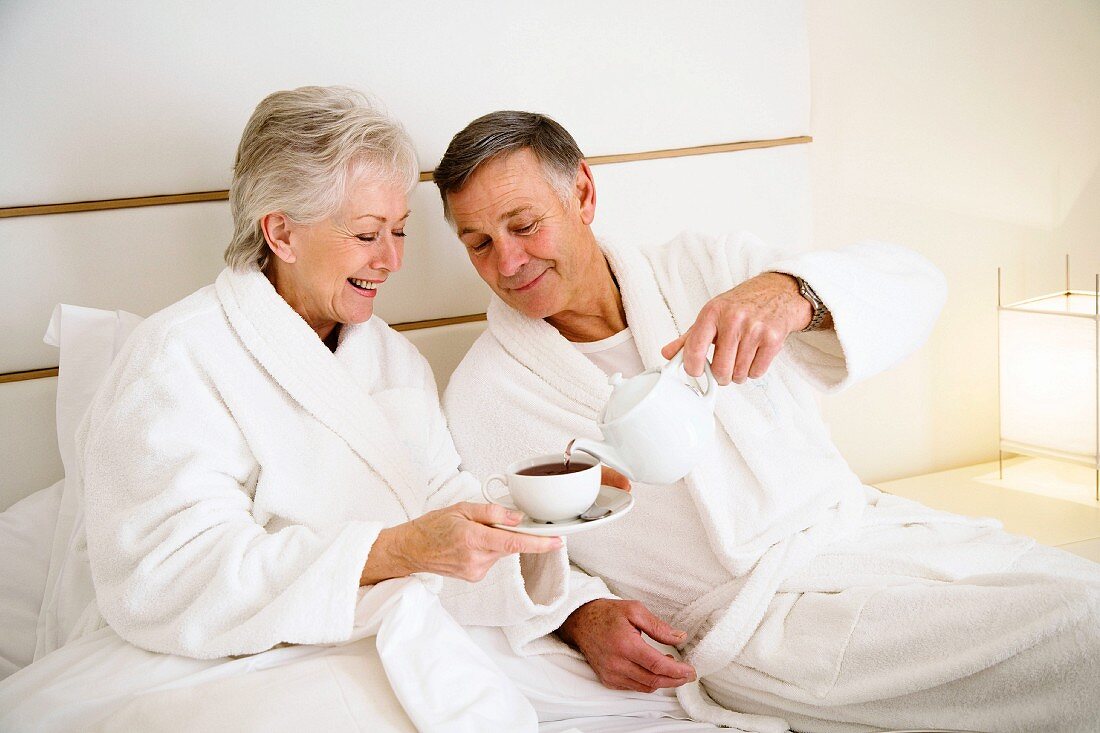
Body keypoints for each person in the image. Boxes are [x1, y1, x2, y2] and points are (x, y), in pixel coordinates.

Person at [436, 111, 1100, 732]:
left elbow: (918, 284)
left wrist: (796, 294)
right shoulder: (485, 392)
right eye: (478, 243)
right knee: (1079, 628)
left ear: (582, 193)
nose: (508, 263)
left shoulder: (702, 270)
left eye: (524, 226)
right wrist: (579, 614)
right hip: (764, 624)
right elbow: (487, 551)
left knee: (1084, 592)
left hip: (871, 535)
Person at [0, 88, 611, 732]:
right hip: (220, 656)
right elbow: (168, 579)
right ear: (281, 232)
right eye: (367, 234)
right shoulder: (175, 356)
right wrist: (392, 552)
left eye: (398, 231)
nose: (393, 260)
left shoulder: (393, 360)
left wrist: (536, 527)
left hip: (381, 631)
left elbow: (441, 497)